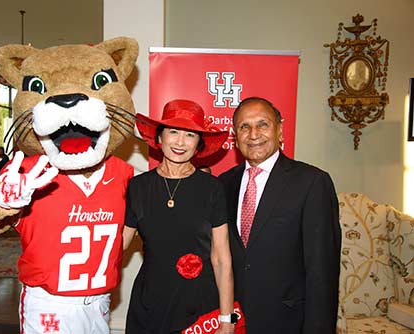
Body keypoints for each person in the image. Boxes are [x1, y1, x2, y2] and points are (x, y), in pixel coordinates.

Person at [219, 97, 341, 334]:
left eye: (263, 124)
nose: (254, 134)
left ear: (280, 130)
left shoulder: (312, 183)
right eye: (244, 127)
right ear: (235, 137)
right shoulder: (223, 185)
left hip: (288, 322)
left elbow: (322, 271)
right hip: (233, 322)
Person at [123, 99, 238, 334]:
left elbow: (221, 258)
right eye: (173, 132)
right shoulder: (138, 187)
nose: (180, 142)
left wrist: (227, 319)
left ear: (198, 144)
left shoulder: (212, 188)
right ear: (159, 138)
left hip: (199, 308)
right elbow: (117, 246)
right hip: (150, 306)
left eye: (190, 135)